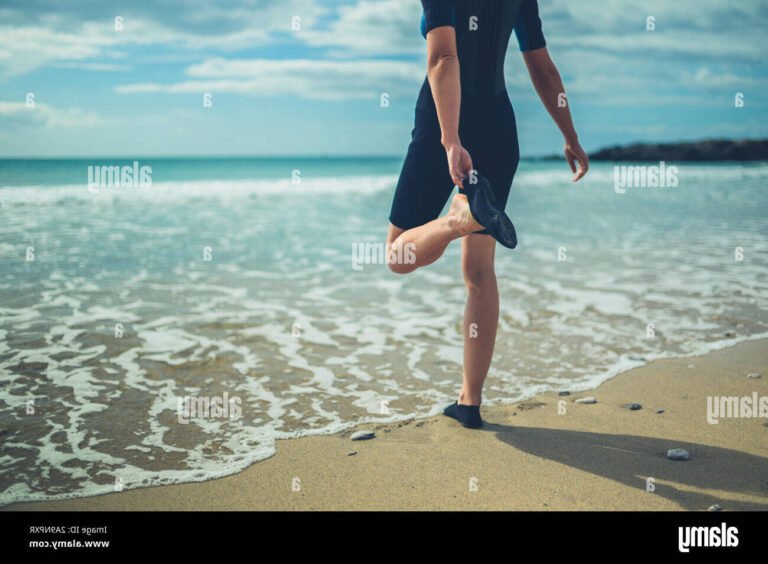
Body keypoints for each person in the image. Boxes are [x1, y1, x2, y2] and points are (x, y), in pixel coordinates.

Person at [386, 0, 589, 428]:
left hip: (442, 122)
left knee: (397, 256)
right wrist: (570, 136)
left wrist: (450, 140)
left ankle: (456, 220)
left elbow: (444, 56)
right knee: (479, 271)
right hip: (498, 129)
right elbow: (543, 69)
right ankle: (470, 402)